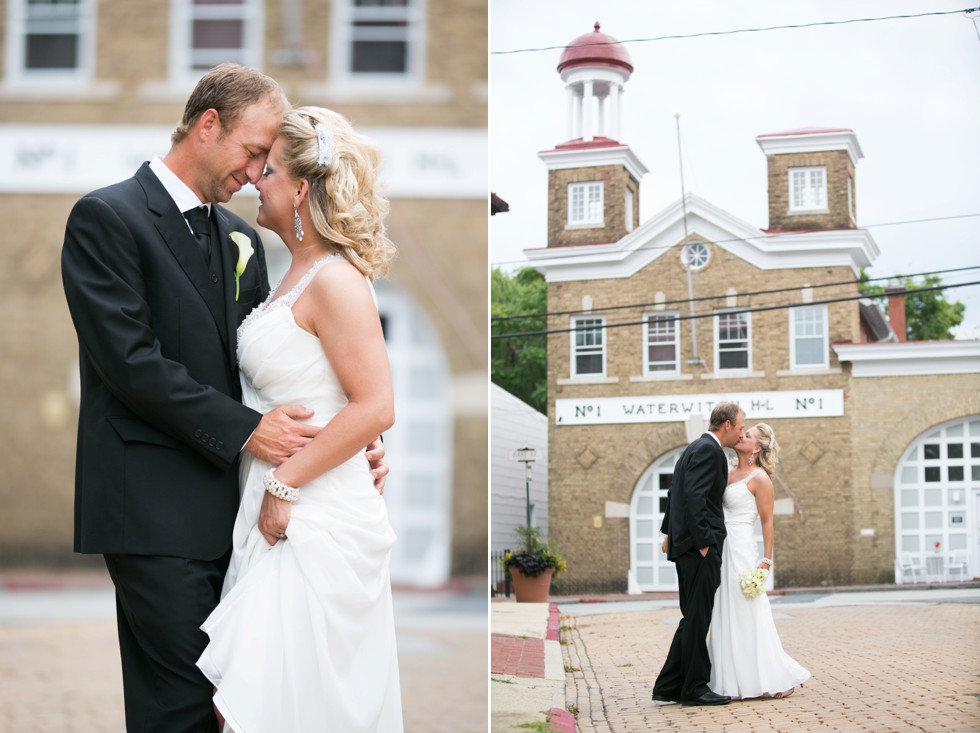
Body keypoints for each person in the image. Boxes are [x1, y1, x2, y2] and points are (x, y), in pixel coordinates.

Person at [61, 65, 387, 732]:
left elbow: (274, 371)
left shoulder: (238, 239)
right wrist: (251, 433)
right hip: (152, 511)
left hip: (240, 517)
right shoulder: (107, 217)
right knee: (181, 704)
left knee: (233, 707)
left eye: (269, 160)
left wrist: (349, 440)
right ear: (208, 125)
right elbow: (130, 362)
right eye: (254, 151)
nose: (258, 170)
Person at [196, 106, 403, 732]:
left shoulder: (336, 279)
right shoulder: (290, 274)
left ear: (303, 189)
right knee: (268, 701)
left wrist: (285, 485)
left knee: (284, 700)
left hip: (310, 516)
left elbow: (376, 404)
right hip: (275, 505)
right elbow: (339, 393)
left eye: (273, 169)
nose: (259, 177)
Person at [708, 423, 810, 699]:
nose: (741, 435)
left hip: (741, 548)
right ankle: (728, 679)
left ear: (756, 448)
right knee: (723, 607)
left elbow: (767, 521)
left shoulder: (760, 478)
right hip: (721, 547)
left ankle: (770, 675)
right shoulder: (726, 471)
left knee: (746, 608)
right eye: (743, 431)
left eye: (748, 435)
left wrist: (766, 560)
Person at [652, 402, 744, 706]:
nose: (741, 432)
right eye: (741, 427)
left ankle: (668, 685)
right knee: (697, 618)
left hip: (687, 545)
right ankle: (694, 687)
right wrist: (705, 541)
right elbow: (693, 495)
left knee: (691, 616)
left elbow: (674, 492)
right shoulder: (710, 451)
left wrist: (669, 533)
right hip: (698, 549)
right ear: (727, 425)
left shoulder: (694, 448)